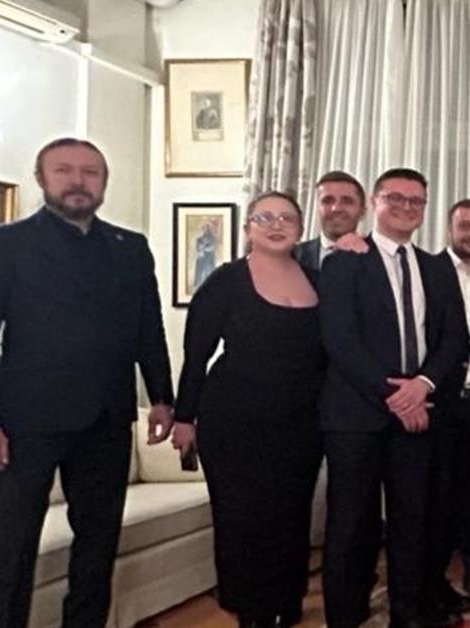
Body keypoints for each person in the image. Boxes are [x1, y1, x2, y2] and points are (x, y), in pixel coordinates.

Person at [0, 137, 175, 627]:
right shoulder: (3, 244)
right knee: (9, 547)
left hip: (107, 419)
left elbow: (148, 329)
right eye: (64, 170)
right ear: (41, 178)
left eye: (90, 172)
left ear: (104, 182)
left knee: (97, 546)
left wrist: (162, 398)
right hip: (27, 421)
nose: (78, 181)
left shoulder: (131, 248)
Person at [318, 168, 467, 628]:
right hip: (356, 417)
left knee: (413, 522)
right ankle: (345, 617)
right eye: (395, 198)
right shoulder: (344, 261)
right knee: (351, 525)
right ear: (375, 203)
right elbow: (340, 339)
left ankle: (408, 613)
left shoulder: (436, 268)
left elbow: (454, 339)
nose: (406, 207)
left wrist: (423, 386)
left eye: (416, 201)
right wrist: (395, 395)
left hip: (419, 414)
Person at [170, 192, 326, 628]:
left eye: (287, 218)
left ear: (300, 228)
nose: (277, 225)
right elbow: (196, 355)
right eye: (265, 217)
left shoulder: (318, 279)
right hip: (234, 422)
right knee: (242, 519)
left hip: (301, 424)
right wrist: (184, 418)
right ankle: (250, 609)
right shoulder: (226, 281)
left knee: (292, 514)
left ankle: (287, 600)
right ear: (247, 229)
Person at [420, 199, 470, 616]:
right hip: (437, 401)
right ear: (450, 228)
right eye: (464, 225)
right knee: (436, 495)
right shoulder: (426, 271)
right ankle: (433, 579)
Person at [295, 171, 367, 272]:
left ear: (363, 211)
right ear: (317, 208)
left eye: (347, 201)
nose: (336, 208)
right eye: (327, 201)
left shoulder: (379, 258)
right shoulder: (291, 257)